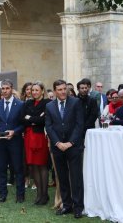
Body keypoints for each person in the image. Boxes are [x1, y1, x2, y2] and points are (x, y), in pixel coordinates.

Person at [45, 79, 84, 219]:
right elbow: (48, 126)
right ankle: (67, 205)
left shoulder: (76, 102)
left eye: (64, 89)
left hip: (73, 147)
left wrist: (70, 142)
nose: (62, 92)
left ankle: (78, 207)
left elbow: (80, 124)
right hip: (57, 148)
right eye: (59, 89)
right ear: (55, 91)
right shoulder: (49, 106)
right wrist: (57, 143)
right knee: (62, 178)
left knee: (76, 177)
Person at [0, 79, 25, 203]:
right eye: (3, 89)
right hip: (1, 142)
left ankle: (20, 195)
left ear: (12, 89)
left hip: (15, 142)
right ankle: (2, 194)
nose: (5, 91)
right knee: (2, 169)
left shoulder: (20, 104)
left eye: (7, 88)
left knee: (18, 169)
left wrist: (14, 132)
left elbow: (23, 124)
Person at [21, 81, 50, 205]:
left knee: (42, 165)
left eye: (37, 90)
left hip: (40, 138)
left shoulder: (47, 103)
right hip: (29, 137)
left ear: (42, 91)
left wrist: (30, 118)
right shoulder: (27, 103)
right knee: (32, 166)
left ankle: (44, 195)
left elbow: (44, 120)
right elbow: (22, 119)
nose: (34, 92)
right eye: (32, 90)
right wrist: (35, 119)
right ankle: (39, 193)